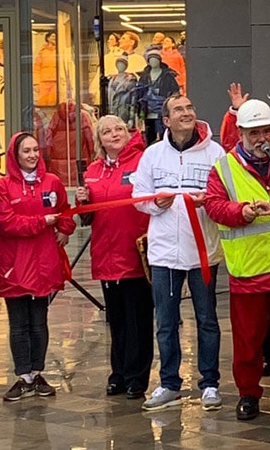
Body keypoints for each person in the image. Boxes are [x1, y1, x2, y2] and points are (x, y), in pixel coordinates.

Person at [205, 98, 270, 421]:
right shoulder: (224, 167)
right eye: (254, 133)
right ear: (240, 133)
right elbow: (212, 205)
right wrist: (241, 212)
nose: (262, 138)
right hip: (249, 269)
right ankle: (248, 393)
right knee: (248, 339)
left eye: (266, 130)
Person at [132, 94, 225, 412]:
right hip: (164, 254)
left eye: (190, 107)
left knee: (207, 319)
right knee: (166, 321)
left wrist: (209, 203)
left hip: (204, 253)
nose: (187, 113)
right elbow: (138, 197)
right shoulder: (152, 155)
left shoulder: (215, 152)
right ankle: (169, 383)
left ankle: (210, 382)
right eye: (178, 110)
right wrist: (154, 203)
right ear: (166, 120)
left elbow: (226, 197)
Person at [0, 132, 75, 401]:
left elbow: (65, 210)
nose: (32, 155)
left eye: (35, 150)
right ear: (15, 156)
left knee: (39, 323)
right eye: (26, 151)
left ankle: (37, 372)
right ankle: (22, 375)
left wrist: (64, 228)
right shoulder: (4, 186)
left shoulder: (52, 182)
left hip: (43, 263)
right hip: (15, 264)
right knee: (18, 324)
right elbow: (6, 223)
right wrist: (43, 222)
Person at [76, 116, 153, 400]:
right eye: (106, 131)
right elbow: (87, 217)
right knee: (116, 320)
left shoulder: (143, 162)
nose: (114, 134)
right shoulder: (93, 170)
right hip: (106, 257)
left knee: (138, 320)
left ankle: (136, 376)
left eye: (118, 128)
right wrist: (83, 201)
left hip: (135, 255)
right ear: (99, 140)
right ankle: (118, 373)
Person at [137, 47, 180, 145]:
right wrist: (139, 110)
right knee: (150, 135)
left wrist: (171, 105)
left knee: (164, 133)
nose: (153, 62)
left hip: (162, 109)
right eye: (151, 60)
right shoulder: (144, 76)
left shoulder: (168, 76)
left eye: (155, 59)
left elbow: (175, 92)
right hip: (148, 110)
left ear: (159, 61)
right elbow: (139, 94)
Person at [34, 32, 57, 107]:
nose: (54, 37)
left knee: (53, 102)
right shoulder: (42, 52)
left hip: (55, 81)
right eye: (52, 36)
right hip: (43, 81)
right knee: (42, 102)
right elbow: (36, 68)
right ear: (48, 38)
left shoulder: (59, 51)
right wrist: (36, 83)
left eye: (55, 36)